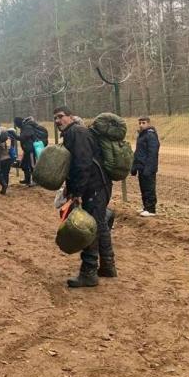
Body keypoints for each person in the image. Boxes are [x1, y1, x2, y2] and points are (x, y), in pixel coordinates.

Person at [54, 106, 116, 287]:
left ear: (71, 117)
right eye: (55, 118)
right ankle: (108, 266)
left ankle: (89, 272)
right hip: (98, 186)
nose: (58, 121)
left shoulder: (77, 133)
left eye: (61, 117)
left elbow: (82, 164)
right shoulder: (74, 132)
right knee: (99, 224)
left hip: (93, 188)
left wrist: (77, 193)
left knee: (88, 227)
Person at [131, 116, 160, 217]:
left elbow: (153, 153)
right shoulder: (141, 135)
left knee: (149, 188)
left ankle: (151, 209)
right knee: (143, 188)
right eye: (140, 123)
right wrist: (134, 166)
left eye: (143, 123)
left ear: (148, 123)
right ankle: (145, 207)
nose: (141, 125)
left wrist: (149, 168)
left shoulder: (151, 135)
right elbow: (138, 152)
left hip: (148, 168)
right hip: (141, 167)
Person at [12, 116, 38, 186]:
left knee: (32, 166)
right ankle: (27, 180)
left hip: (30, 150)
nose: (16, 126)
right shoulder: (24, 127)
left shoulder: (27, 127)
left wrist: (14, 135)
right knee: (24, 165)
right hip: (26, 150)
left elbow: (23, 138)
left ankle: (35, 181)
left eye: (16, 124)